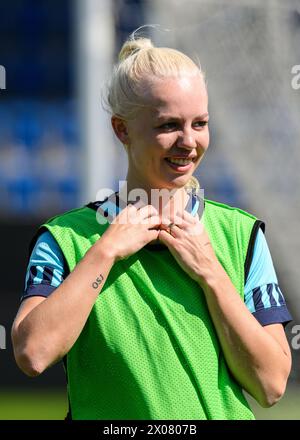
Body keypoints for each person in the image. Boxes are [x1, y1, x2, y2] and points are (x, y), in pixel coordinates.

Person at [11, 31, 293, 421]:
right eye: (168, 125)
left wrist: (211, 273)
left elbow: (272, 385)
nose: (188, 141)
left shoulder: (240, 234)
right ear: (122, 130)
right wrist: (106, 251)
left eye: (200, 123)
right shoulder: (65, 239)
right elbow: (33, 354)